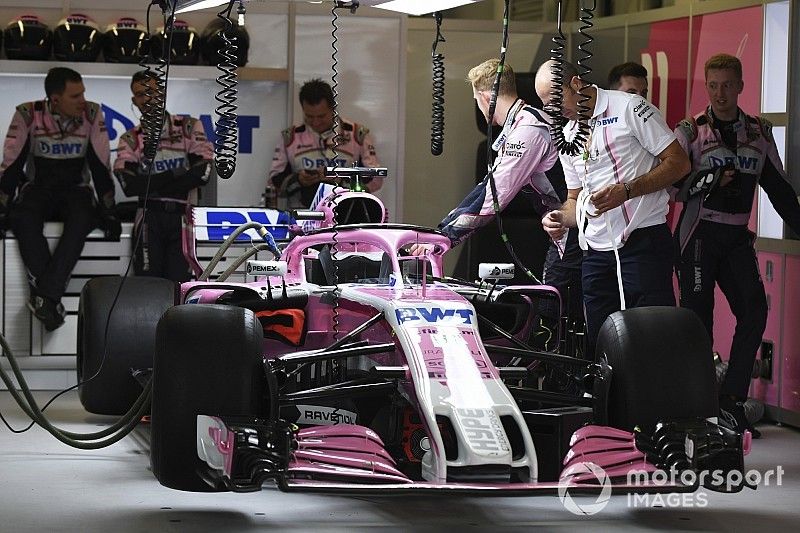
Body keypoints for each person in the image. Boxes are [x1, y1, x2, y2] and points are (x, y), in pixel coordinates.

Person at [410, 59, 584, 346]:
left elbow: (493, 194)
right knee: (557, 313)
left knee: (552, 318)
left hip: (577, 232)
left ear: (485, 98)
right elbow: (487, 188)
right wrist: (440, 232)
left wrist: (443, 238)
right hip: (567, 232)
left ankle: (564, 371)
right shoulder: (522, 124)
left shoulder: (528, 129)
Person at [673, 53, 800, 437]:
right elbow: (672, 189)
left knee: (755, 311)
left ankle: (731, 402)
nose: (720, 93)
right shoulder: (691, 132)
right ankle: (699, 409)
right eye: (713, 85)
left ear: (741, 86)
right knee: (698, 322)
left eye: (727, 85)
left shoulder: (758, 133)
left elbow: (780, 190)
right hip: (698, 235)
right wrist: (708, 180)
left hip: (735, 238)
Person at [534, 60, 690, 360]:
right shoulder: (568, 134)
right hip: (595, 253)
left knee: (653, 343)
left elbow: (680, 163)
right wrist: (558, 218)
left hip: (643, 243)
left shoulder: (630, 107)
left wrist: (628, 190)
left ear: (576, 84)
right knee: (602, 347)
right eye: (545, 105)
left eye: (555, 100)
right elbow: (574, 199)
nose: (553, 110)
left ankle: (655, 392)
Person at [0, 67, 119, 331]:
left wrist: (109, 209)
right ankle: (48, 299)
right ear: (55, 99)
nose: (83, 101)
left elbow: (100, 165)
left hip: (76, 189)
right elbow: (12, 164)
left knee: (83, 218)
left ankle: (45, 296)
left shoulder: (92, 113)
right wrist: (2, 207)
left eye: (83, 93)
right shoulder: (27, 113)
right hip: (38, 187)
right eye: (75, 96)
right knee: (22, 218)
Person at [114, 70, 213, 282]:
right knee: (148, 285)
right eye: (140, 94)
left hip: (183, 217)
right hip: (149, 218)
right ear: (134, 101)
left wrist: (153, 185)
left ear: (163, 93)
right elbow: (130, 187)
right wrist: (175, 174)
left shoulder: (188, 127)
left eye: (151, 92)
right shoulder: (131, 138)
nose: (147, 99)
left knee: (179, 286)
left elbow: (202, 174)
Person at [268, 79, 381, 209]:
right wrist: (298, 180)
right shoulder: (290, 138)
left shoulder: (357, 135)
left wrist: (341, 181)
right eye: (309, 116)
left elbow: (376, 179)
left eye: (321, 116)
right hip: (301, 214)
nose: (316, 122)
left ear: (333, 109)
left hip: (346, 213)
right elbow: (274, 181)